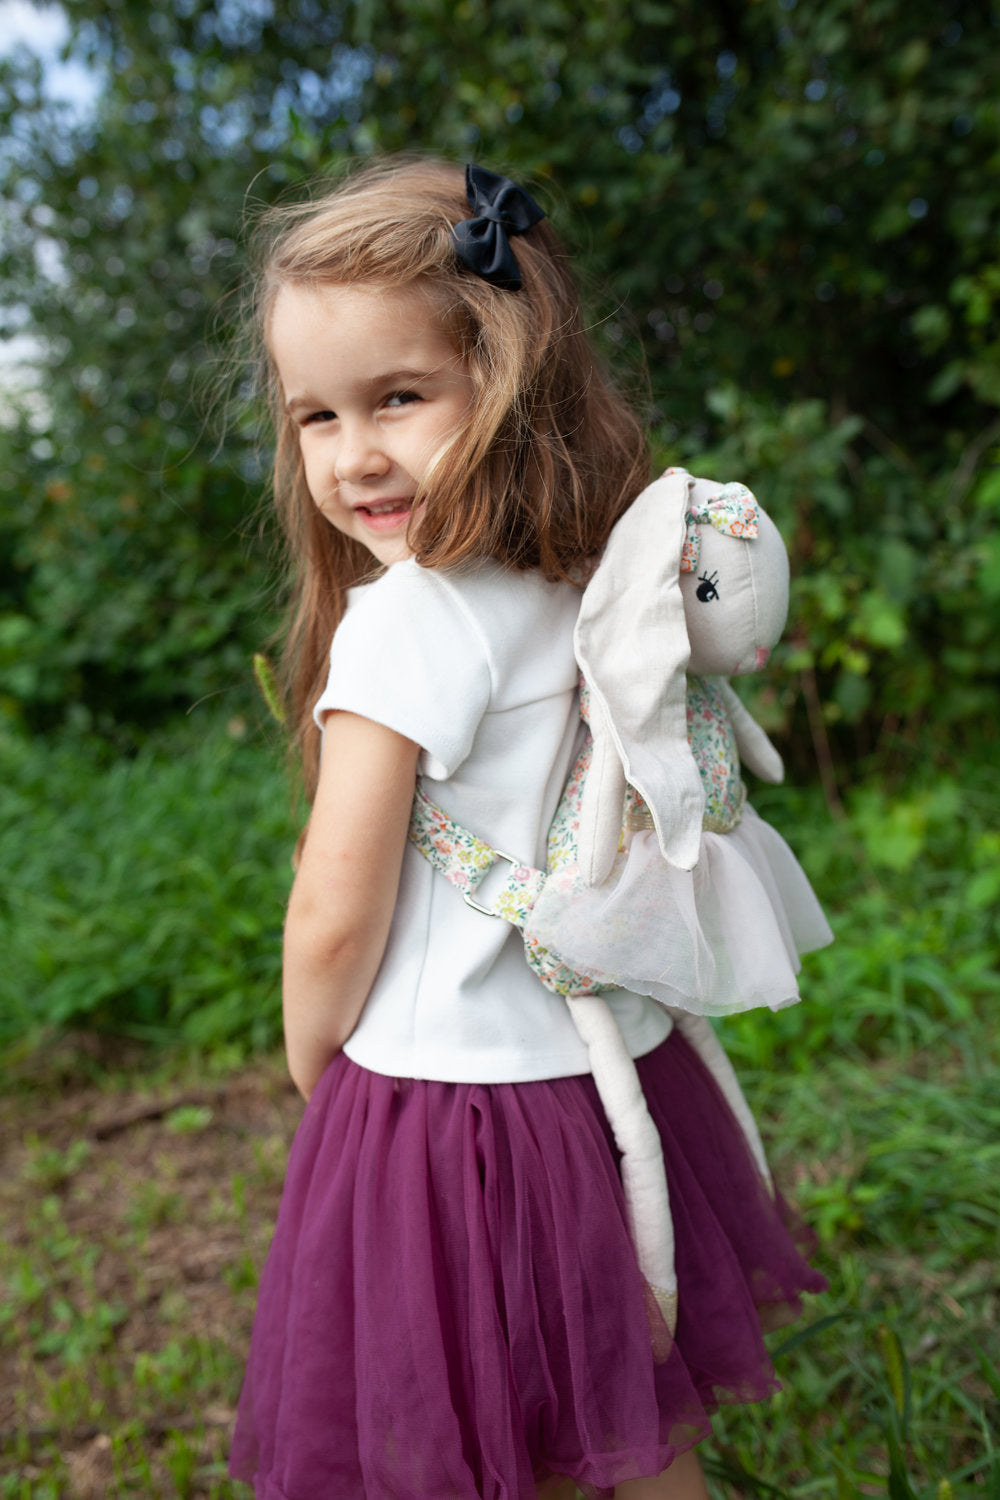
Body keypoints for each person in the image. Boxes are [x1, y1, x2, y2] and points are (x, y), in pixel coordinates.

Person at [228, 156, 827, 1500]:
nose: (355, 453)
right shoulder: (588, 567)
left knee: (471, 1414)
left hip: (447, 1113)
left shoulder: (407, 619)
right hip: (610, 1075)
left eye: (398, 397)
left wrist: (312, 1056)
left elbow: (336, 904)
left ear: (507, 378)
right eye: (315, 416)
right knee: (628, 1404)